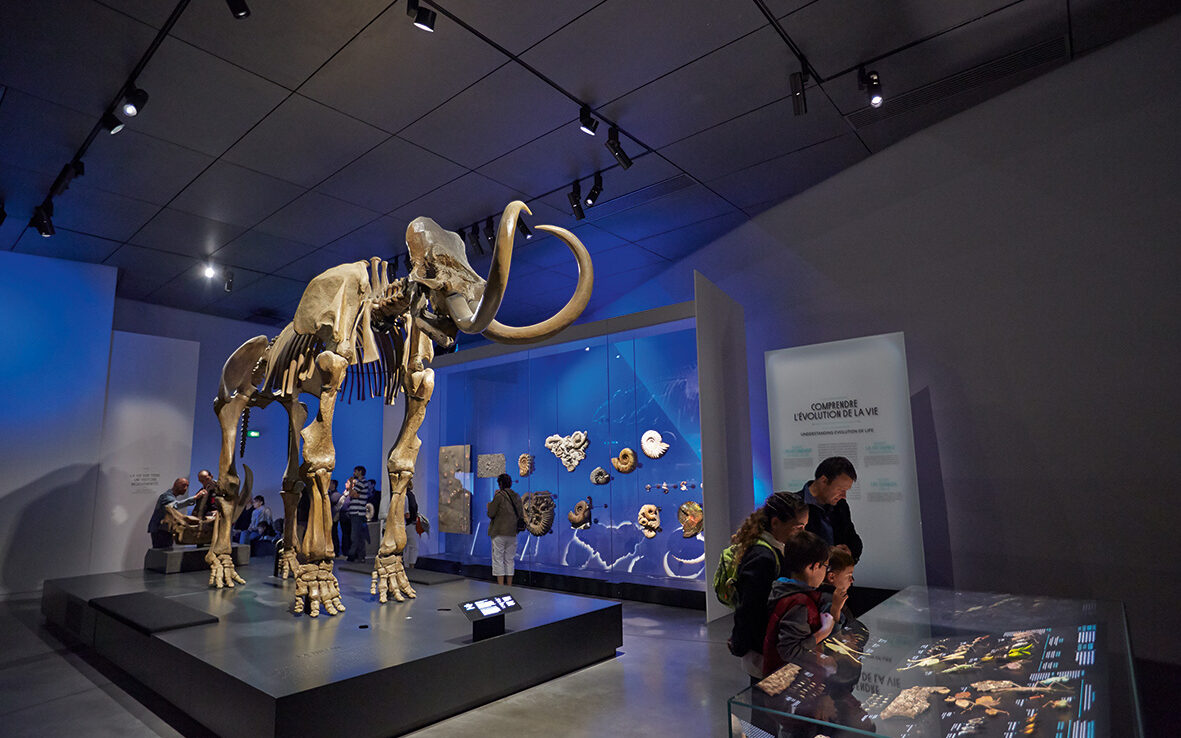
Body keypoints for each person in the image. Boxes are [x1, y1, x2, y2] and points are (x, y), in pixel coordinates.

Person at [727, 491, 810, 679]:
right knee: (765, 704)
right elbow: (749, 609)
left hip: (772, 647)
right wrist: (740, 644)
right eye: (798, 527)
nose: (802, 533)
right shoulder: (762, 557)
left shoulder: (777, 550)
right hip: (762, 651)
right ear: (775, 523)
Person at [762, 531, 834, 677]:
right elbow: (790, 652)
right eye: (825, 566)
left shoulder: (783, 591)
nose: (826, 572)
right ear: (813, 567)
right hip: (788, 680)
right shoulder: (799, 603)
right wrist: (824, 631)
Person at [795, 456, 863, 562]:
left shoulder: (841, 505)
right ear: (824, 481)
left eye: (846, 490)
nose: (844, 496)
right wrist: (828, 554)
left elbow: (853, 539)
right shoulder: (795, 505)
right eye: (840, 489)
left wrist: (849, 553)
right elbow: (793, 548)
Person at [486, 473, 523, 586]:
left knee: (498, 559)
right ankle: (510, 585)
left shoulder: (499, 496)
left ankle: (501, 586)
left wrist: (489, 505)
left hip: (499, 532)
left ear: (500, 484)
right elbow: (521, 514)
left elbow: (491, 513)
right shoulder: (516, 496)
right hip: (512, 533)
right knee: (509, 560)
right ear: (510, 483)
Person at [147, 477, 197, 548]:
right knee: (160, 554)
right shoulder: (166, 496)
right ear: (175, 484)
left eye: (187, 486)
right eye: (183, 485)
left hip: (164, 530)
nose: (185, 488)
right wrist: (195, 498)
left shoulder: (169, 496)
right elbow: (175, 505)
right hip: (160, 531)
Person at [818, 547, 856, 631]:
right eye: (849, 576)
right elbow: (831, 634)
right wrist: (836, 609)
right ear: (831, 577)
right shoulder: (828, 600)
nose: (852, 580)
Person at [347, 483, 370, 561]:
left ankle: (352, 554)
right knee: (358, 536)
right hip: (356, 514)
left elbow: (351, 494)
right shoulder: (360, 484)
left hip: (358, 514)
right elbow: (353, 494)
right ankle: (359, 556)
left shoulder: (362, 482)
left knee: (355, 536)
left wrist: (352, 490)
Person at [402, 480, 420, 568]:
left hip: (402, 523)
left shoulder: (400, 495)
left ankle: (405, 564)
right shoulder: (409, 495)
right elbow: (413, 507)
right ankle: (411, 565)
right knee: (413, 545)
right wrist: (414, 518)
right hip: (409, 523)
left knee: (405, 546)